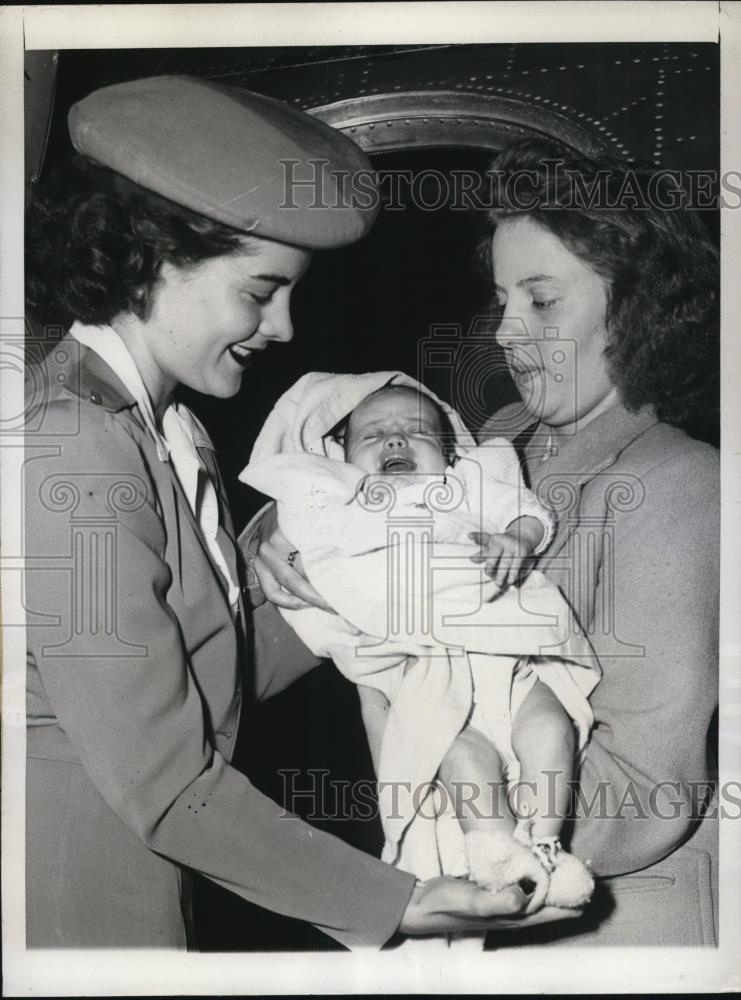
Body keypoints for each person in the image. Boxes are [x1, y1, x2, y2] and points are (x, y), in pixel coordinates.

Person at [24, 76, 581, 951]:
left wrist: (362, 568)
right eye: (259, 291)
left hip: (150, 884)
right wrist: (400, 901)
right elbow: (168, 783)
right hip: (70, 903)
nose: (283, 326)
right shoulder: (74, 444)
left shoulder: (170, 427)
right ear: (152, 257)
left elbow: (215, 675)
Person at [252, 139, 720, 946]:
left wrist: (436, 776)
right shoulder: (498, 437)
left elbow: (643, 795)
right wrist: (274, 532)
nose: (503, 331)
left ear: (638, 311)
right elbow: (351, 480)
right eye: (502, 298)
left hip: (600, 942)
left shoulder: (682, 485)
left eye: (540, 302)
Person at [241, 373, 598, 919]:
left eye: (417, 431)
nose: (395, 441)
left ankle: (547, 847)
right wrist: (283, 533)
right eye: (375, 434)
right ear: (341, 454)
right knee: (461, 754)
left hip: (503, 651)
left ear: (450, 450)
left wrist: (516, 539)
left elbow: (525, 509)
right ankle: (501, 855)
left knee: (551, 728)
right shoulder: (341, 497)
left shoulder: (468, 483)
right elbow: (286, 538)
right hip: (420, 661)